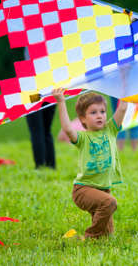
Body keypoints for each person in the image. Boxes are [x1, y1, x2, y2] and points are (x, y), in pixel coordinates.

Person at [53, 88, 127, 239]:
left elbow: (123, 107)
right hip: (83, 189)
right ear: (83, 119)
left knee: (107, 236)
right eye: (93, 113)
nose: (99, 116)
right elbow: (67, 129)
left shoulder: (110, 130)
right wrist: (61, 101)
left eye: (102, 111)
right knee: (110, 203)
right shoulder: (83, 138)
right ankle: (89, 236)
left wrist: (125, 84)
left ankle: (87, 238)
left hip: (104, 189)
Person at [24, 48, 56, 169]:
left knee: (37, 131)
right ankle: (51, 166)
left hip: (33, 87)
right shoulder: (52, 39)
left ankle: (40, 166)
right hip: (51, 86)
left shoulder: (30, 36)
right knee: (46, 130)